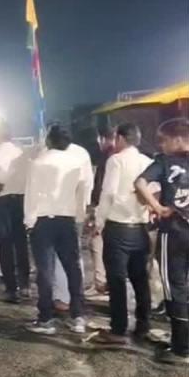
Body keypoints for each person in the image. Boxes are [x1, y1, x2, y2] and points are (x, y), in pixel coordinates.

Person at [135, 118, 189, 365]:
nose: (161, 145)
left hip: (174, 232)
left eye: (163, 140)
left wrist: (157, 207)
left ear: (177, 139)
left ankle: (181, 349)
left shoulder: (165, 162)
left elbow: (139, 183)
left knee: (174, 287)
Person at [92, 123, 153, 346]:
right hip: (141, 229)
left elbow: (108, 194)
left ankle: (118, 330)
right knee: (140, 280)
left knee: (117, 280)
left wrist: (99, 222)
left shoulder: (116, 160)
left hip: (118, 228)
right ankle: (143, 325)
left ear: (119, 138)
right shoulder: (147, 161)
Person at [24, 124, 88, 335]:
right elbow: (82, 192)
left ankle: (46, 319)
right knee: (73, 268)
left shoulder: (38, 163)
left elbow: (31, 195)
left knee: (45, 271)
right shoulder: (76, 163)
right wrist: (80, 216)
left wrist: (29, 222)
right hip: (68, 220)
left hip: (43, 221)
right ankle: (78, 316)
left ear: (49, 140)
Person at [0, 120, 31, 303]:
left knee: (5, 244)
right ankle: (25, 285)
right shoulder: (21, 152)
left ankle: (11, 288)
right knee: (21, 243)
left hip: (3, 201)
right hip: (22, 199)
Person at [52, 140, 94, 312]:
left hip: (57, 211)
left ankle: (63, 297)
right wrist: (85, 208)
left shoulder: (50, 154)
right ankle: (77, 295)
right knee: (74, 254)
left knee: (59, 255)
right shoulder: (81, 152)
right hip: (77, 210)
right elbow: (88, 183)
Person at [87, 126, 117, 296]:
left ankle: (101, 283)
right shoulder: (117, 156)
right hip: (119, 210)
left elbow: (102, 187)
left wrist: (95, 209)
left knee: (96, 243)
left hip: (105, 207)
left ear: (104, 138)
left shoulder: (108, 157)